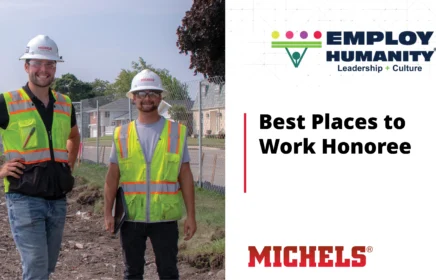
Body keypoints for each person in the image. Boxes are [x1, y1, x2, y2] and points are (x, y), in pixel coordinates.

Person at [0, 35, 80, 279]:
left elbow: (74, 138)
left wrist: (68, 165)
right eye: (37, 63)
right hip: (24, 197)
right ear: (26, 66)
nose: (44, 70)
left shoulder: (65, 104)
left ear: (55, 68)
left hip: (57, 199)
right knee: (36, 265)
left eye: (50, 64)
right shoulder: (7, 102)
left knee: (46, 266)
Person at [104, 69, 197, 280]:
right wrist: (107, 212)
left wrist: (191, 215)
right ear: (133, 98)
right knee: (133, 272)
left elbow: (185, 176)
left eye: (152, 93)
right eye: (142, 94)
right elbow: (112, 177)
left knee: (168, 272)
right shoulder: (122, 134)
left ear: (160, 96)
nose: (147, 98)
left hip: (164, 218)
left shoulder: (177, 132)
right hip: (131, 217)